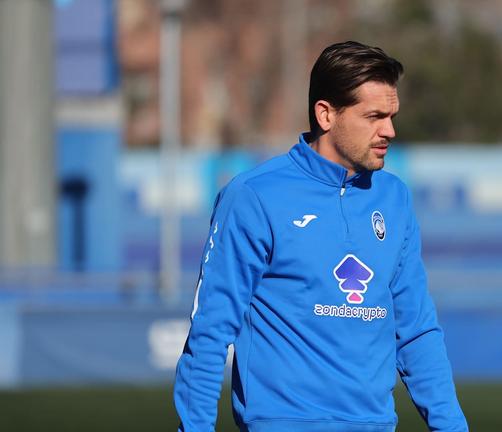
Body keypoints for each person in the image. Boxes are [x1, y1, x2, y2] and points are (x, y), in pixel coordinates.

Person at [173, 41, 468, 432]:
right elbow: (210, 329)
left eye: (392, 115)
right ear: (326, 114)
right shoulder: (255, 196)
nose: (390, 130)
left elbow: (416, 330)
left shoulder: (394, 198)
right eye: (375, 116)